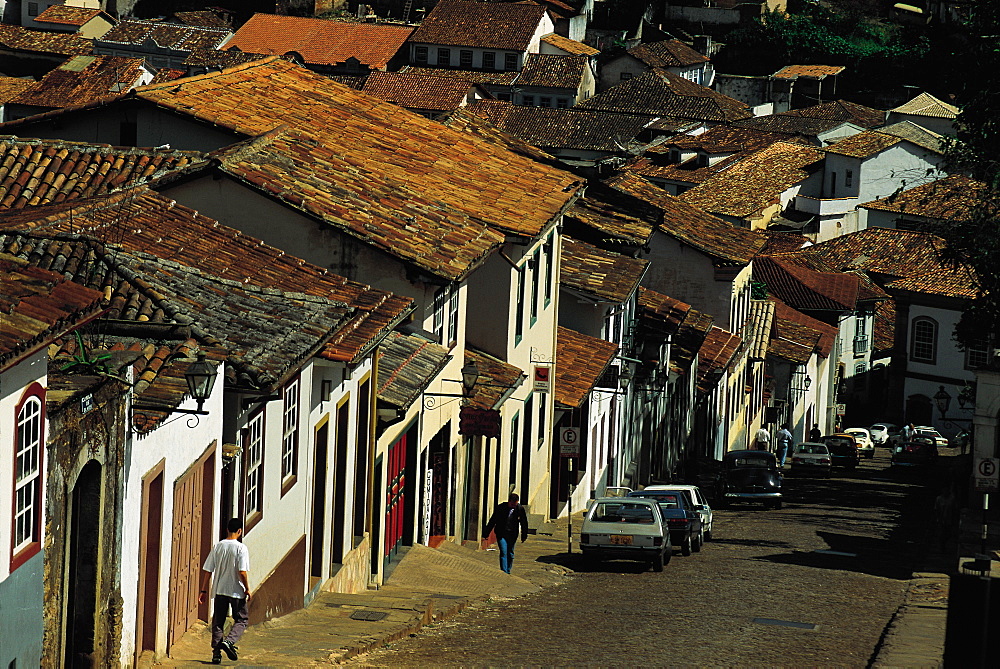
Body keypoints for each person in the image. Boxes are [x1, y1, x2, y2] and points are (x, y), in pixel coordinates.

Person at [199, 518, 251, 664]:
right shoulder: (241, 548)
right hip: (236, 591)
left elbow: (208, 570)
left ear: (227, 530)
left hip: (220, 590)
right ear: (239, 531)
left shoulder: (218, 546)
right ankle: (229, 641)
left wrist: (203, 590)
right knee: (241, 619)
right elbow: (242, 572)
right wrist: (247, 588)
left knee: (218, 622)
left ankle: (216, 654)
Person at [483, 493, 529, 574]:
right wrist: (486, 533)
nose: (513, 506)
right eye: (512, 504)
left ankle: (508, 569)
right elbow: (493, 520)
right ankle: (504, 571)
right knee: (503, 551)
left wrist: (524, 535)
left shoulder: (520, 509)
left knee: (510, 553)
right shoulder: (501, 508)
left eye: (515, 504)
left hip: (512, 534)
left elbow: (524, 523)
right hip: (501, 533)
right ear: (509, 501)